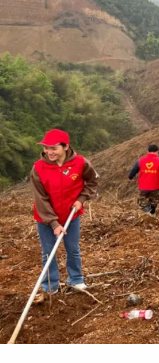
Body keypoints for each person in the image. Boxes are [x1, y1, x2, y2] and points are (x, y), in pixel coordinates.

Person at [30, 129, 98, 303]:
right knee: (48, 252)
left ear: (65, 146)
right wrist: (54, 224)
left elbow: (91, 181)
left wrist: (82, 199)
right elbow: (41, 198)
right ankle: (50, 285)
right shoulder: (38, 168)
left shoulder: (81, 163)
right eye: (46, 148)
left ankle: (76, 279)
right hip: (45, 218)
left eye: (54, 148)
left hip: (71, 215)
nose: (49, 152)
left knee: (73, 249)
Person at [128, 144, 159, 216]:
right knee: (154, 202)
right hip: (156, 187)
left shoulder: (140, 160)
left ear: (147, 151)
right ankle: (152, 213)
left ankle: (148, 213)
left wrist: (130, 177)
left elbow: (133, 171)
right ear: (157, 152)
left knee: (143, 202)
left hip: (143, 187)